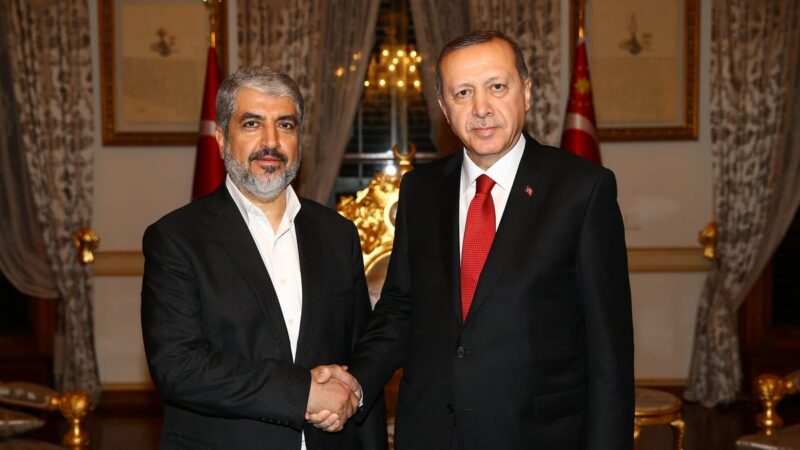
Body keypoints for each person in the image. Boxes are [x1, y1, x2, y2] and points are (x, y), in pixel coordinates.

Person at [345, 30, 634, 449]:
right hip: (431, 435)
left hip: (537, 437)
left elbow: (610, 353)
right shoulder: (420, 190)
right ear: (444, 108)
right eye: (462, 93)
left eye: (497, 87)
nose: (481, 108)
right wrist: (354, 383)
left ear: (526, 93)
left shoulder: (583, 190)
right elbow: (399, 310)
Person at [141, 66, 386, 450]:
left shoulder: (338, 234)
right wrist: (303, 393)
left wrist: (351, 395)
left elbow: (361, 350)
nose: (271, 142)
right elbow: (179, 366)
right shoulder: (177, 239)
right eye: (252, 124)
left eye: (285, 125)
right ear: (222, 138)